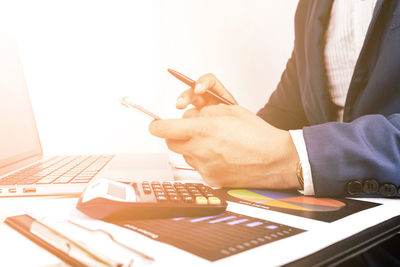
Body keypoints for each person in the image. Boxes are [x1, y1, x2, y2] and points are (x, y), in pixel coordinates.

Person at [150, 1, 400, 264]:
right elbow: (287, 113)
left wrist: (287, 154)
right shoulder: (311, 6)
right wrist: (235, 128)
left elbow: (286, 147)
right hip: (327, 241)